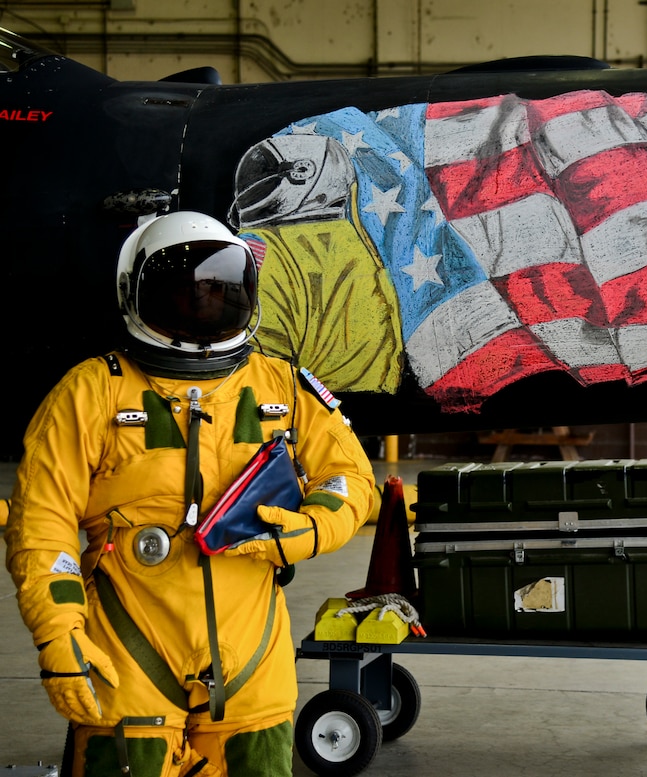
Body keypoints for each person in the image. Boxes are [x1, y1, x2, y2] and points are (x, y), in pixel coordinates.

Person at [4, 211, 375, 776]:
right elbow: (43, 522)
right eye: (182, 291)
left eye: (218, 289)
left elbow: (350, 479)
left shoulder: (282, 386)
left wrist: (313, 526)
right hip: (127, 656)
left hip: (253, 665)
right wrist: (60, 634)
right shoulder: (91, 392)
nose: (203, 302)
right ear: (135, 294)